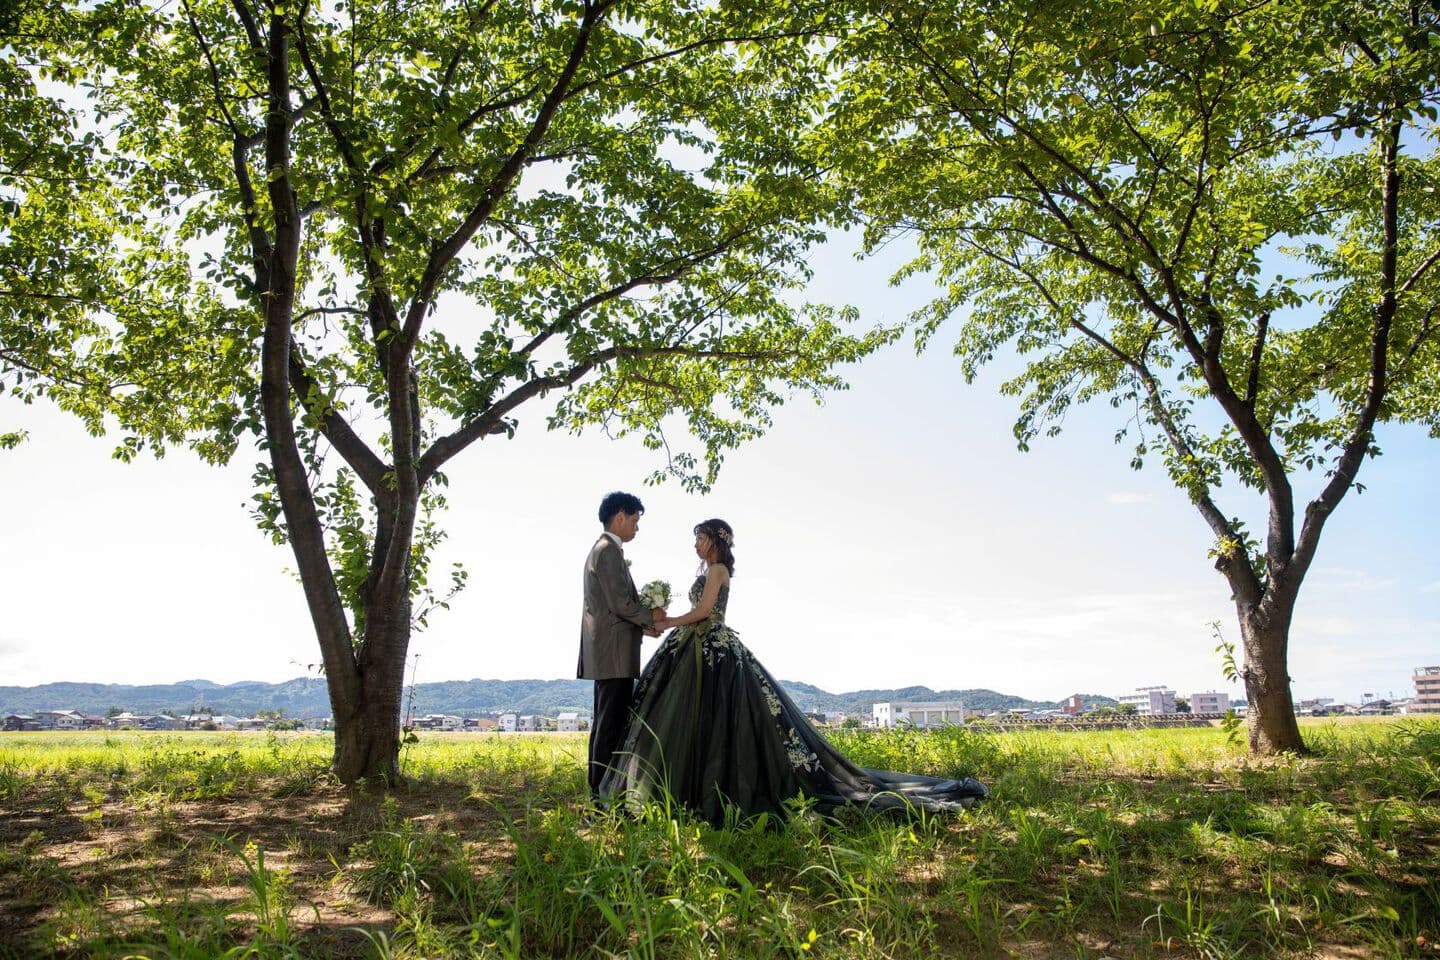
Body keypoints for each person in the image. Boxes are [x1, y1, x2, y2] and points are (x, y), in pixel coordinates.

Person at [599, 519, 987, 825]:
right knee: (691, 720)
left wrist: (667, 624)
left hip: (713, 647)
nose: (695, 544)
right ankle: (680, 788)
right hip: (691, 648)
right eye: (695, 539)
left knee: (721, 720)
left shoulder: (718, 571)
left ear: (715, 541)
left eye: (699, 538)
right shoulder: (707, 568)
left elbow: (703, 613)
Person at [578, 491, 667, 798]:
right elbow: (619, 603)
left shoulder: (603, 550)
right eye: (635, 520)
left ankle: (599, 789)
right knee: (610, 724)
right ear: (620, 517)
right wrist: (650, 616)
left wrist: (644, 628)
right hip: (613, 655)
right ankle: (601, 795)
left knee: (606, 721)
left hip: (611, 651)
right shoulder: (607, 551)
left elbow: (611, 608)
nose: (636, 528)